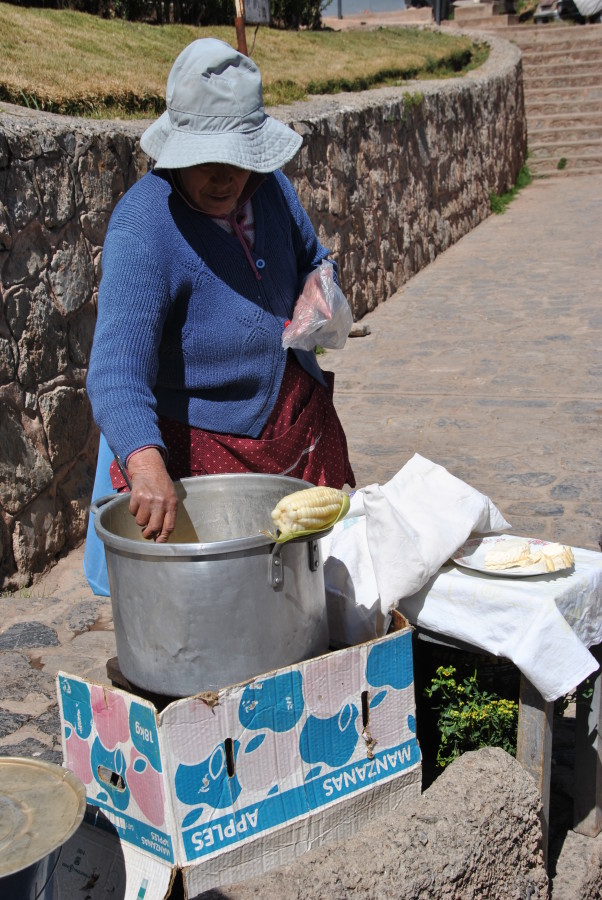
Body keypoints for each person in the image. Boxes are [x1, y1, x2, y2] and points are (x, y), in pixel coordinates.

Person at [83, 37, 355, 592]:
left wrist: (318, 293)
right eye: (203, 161)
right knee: (227, 594)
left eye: (237, 159)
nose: (223, 178)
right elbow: (115, 371)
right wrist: (144, 462)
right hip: (205, 439)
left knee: (314, 578)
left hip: (294, 420)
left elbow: (312, 257)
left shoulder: (271, 189)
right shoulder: (143, 227)